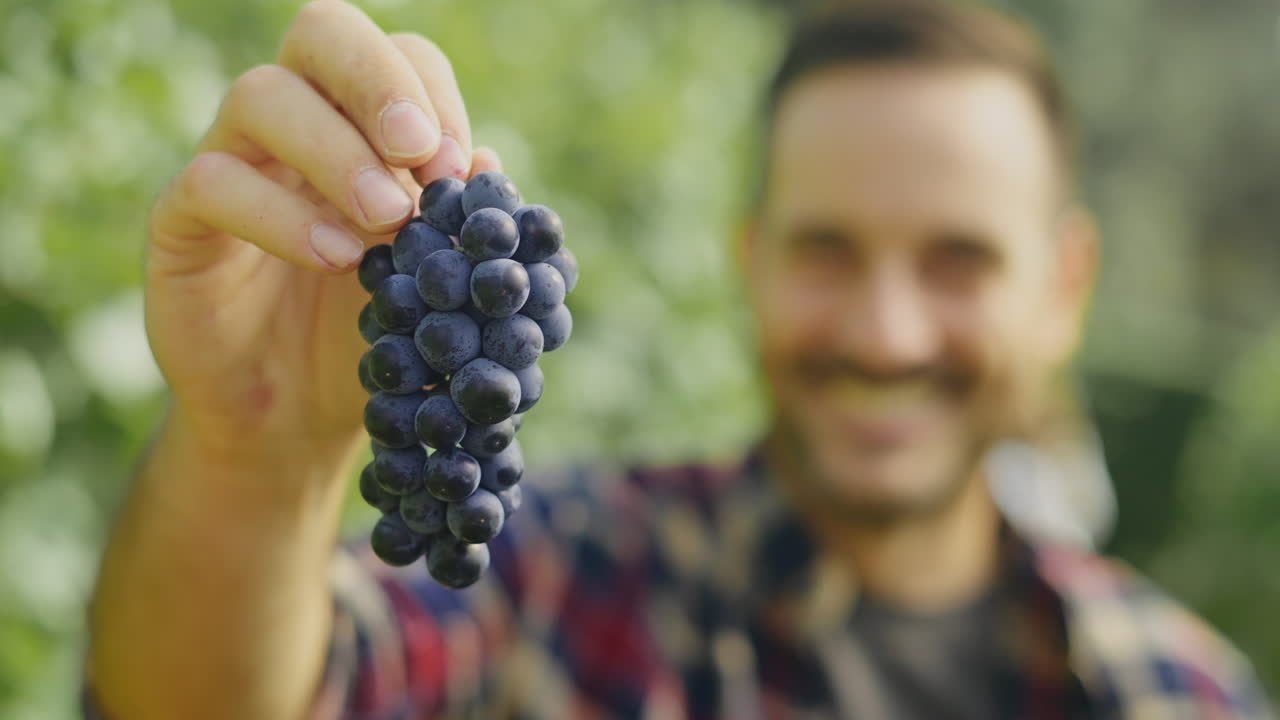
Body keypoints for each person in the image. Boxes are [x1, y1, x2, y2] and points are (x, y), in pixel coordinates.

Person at [82, 1, 1274, 718]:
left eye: (956, 260)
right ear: (748, 259)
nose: (885, 332)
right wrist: (252, 458)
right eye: (826, 250)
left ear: (1064, 287)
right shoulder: (561, 573)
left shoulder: (1182, 694)